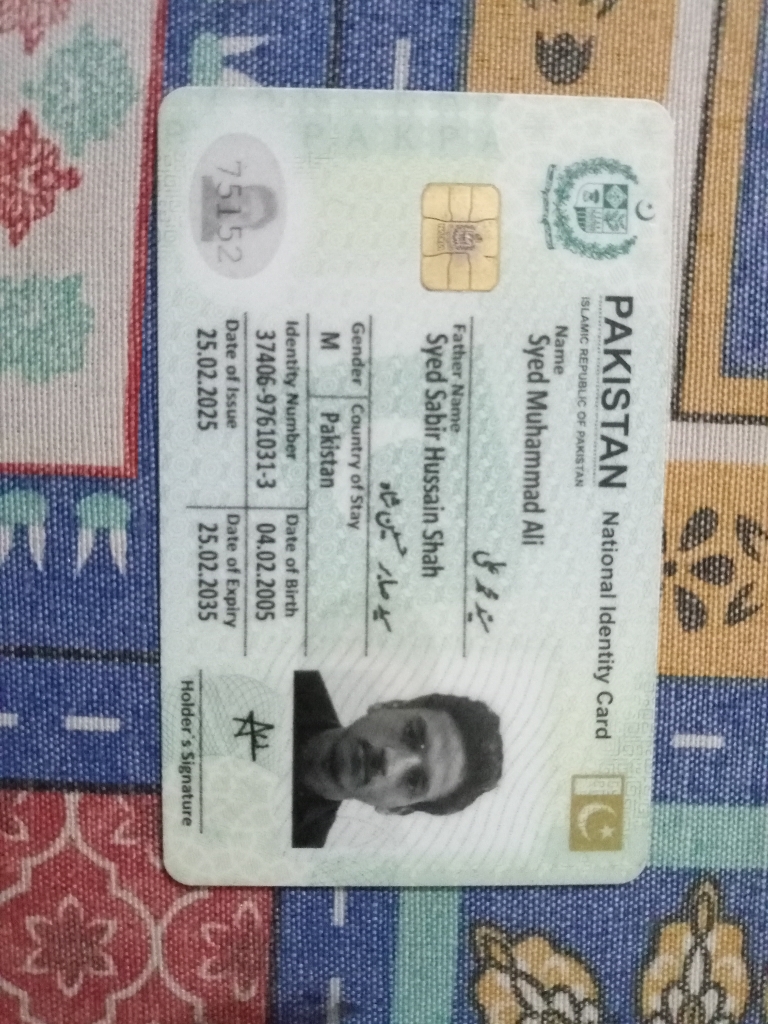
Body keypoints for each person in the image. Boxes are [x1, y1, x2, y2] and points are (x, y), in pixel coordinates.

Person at [293, 670, 503, 848]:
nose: (389, 762)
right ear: (388, 706)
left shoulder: (299, 851)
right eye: (411, 734)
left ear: (395, 809)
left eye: (413, 781)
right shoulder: (296, 677)